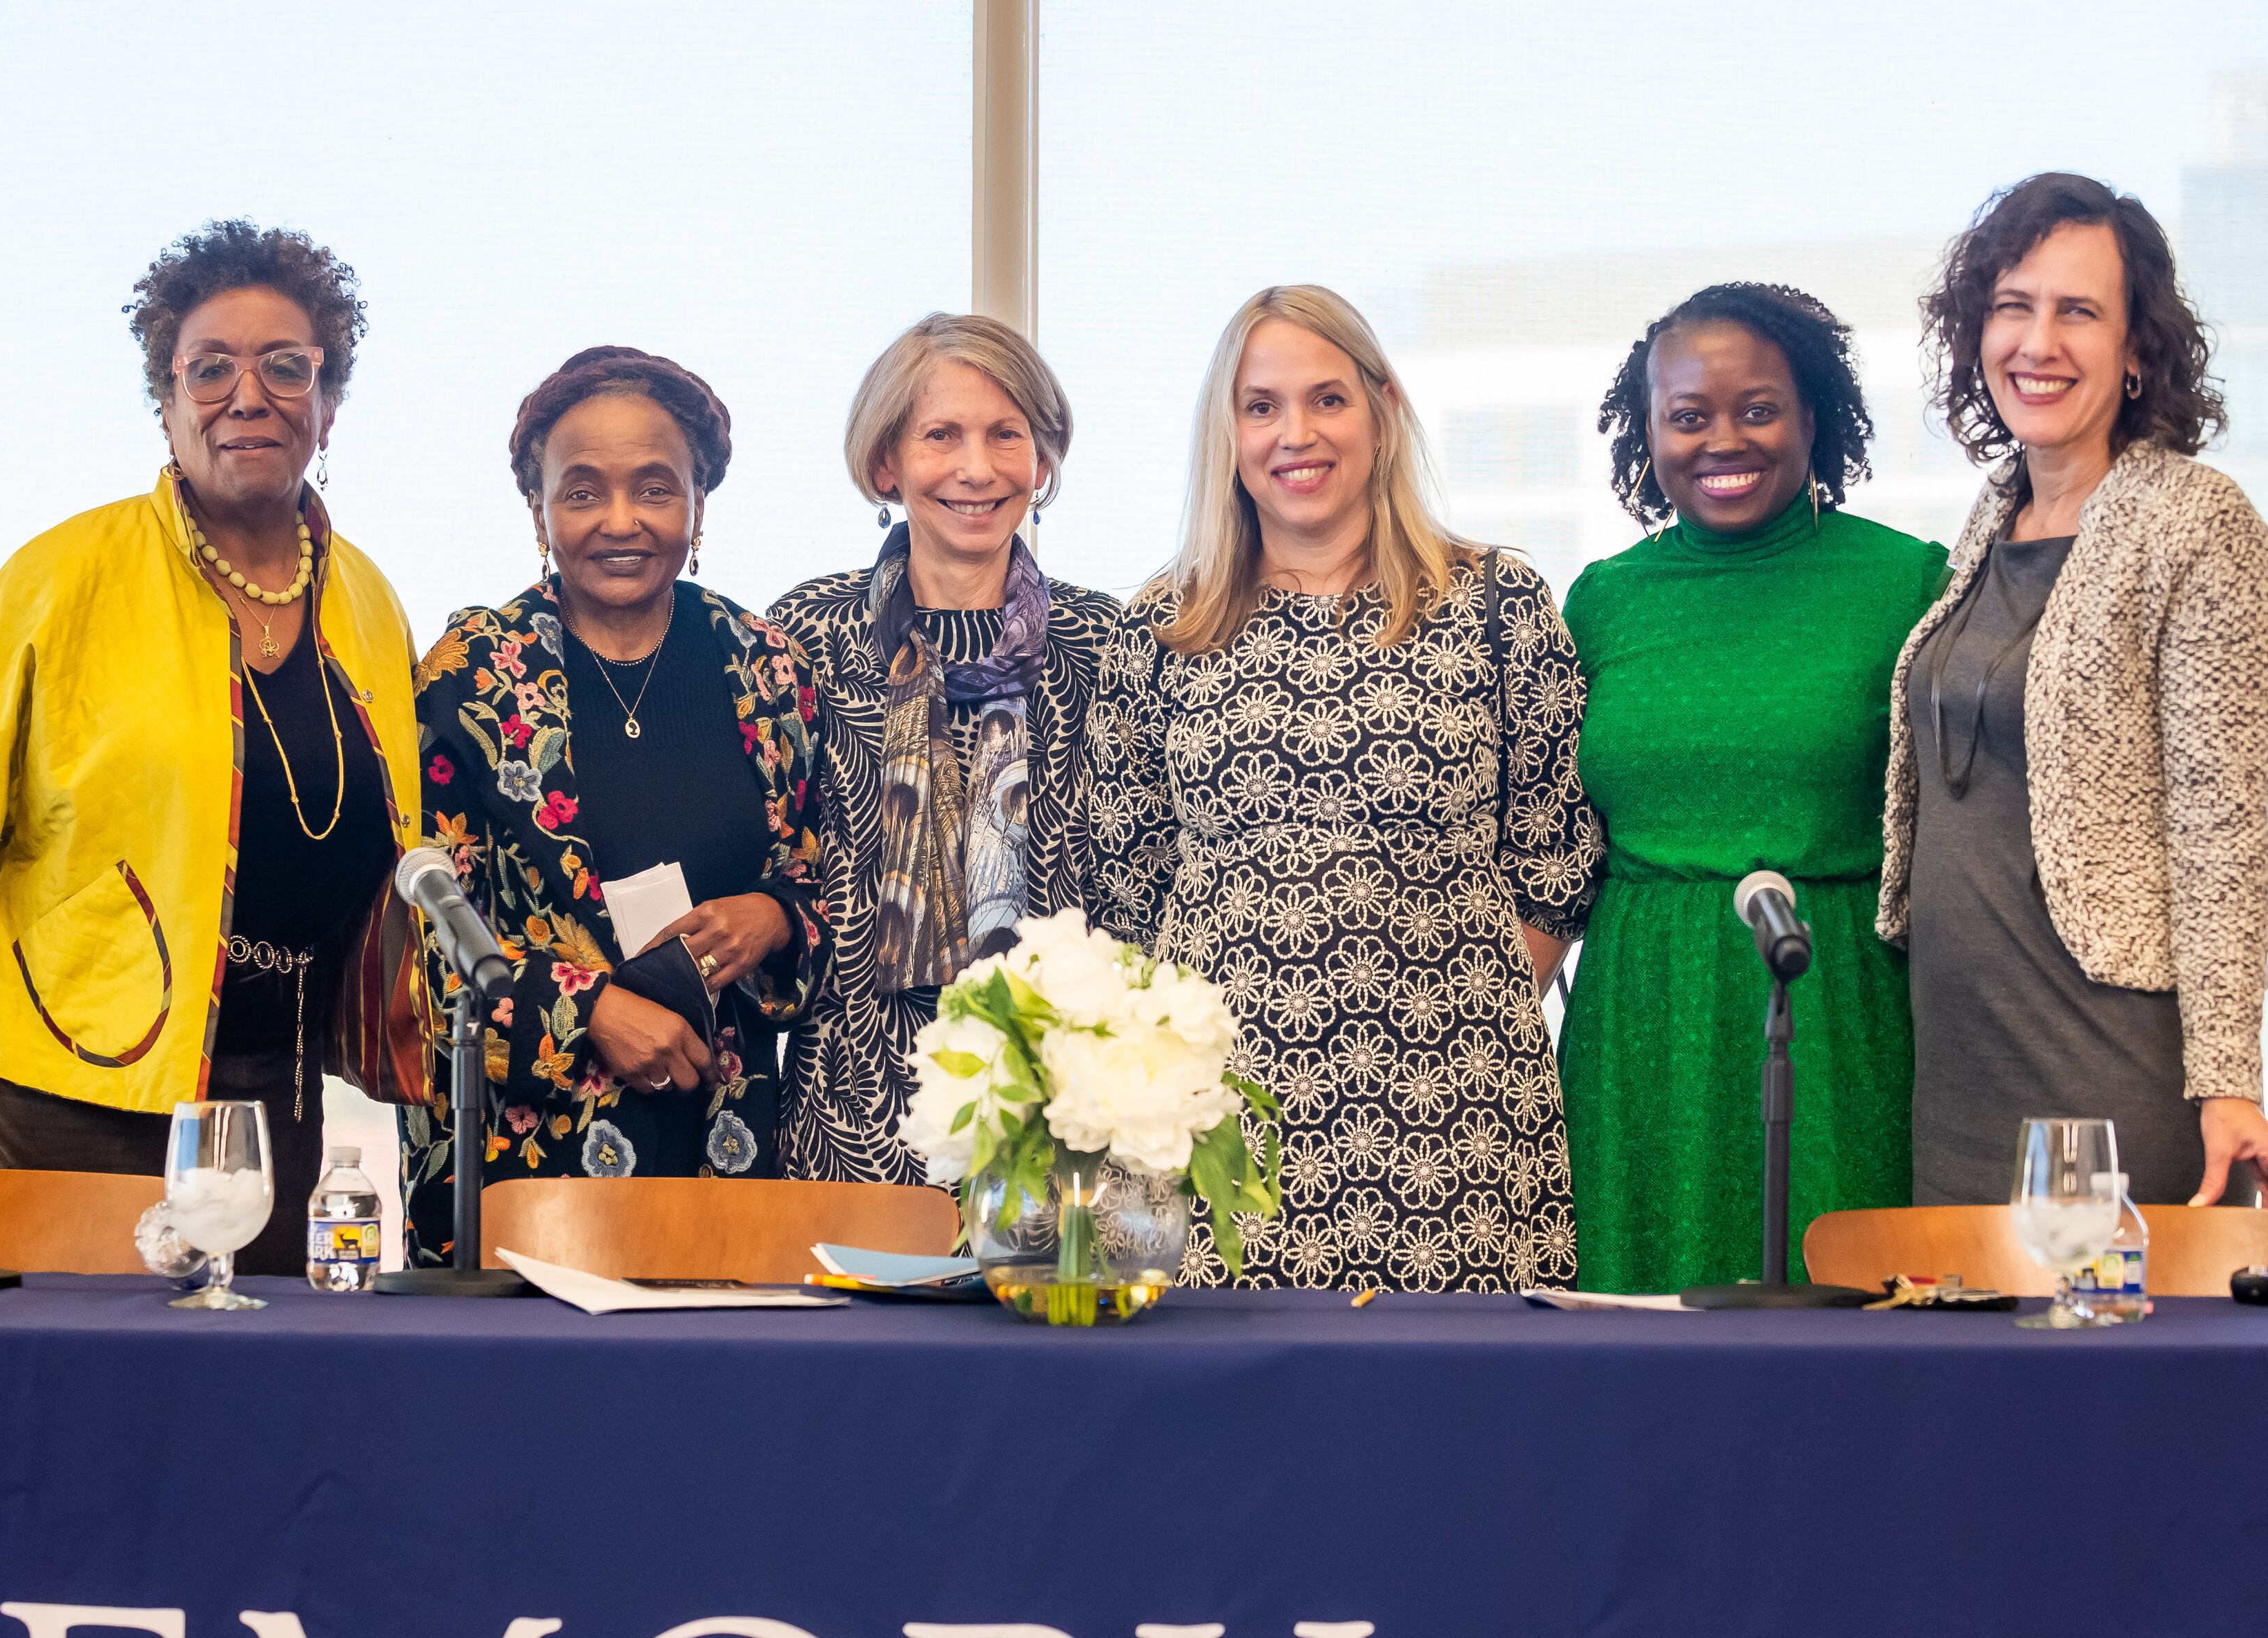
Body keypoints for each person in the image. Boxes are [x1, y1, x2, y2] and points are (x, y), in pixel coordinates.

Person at [0, 220, 418, 1276]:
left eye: (288, 367)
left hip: (270, 1106)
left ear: (329, 406)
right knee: (72, 1411)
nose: (250, 394)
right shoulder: (60, 579)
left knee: (252, 1411)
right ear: (167, 400)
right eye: (210, 368)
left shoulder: (370, 603)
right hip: (63, 1096)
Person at [1086, 285, 1602, 1292]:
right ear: (1227, 434)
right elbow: (1127, 882)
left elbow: (1557, 855)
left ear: (1384, 408)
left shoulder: (1498, 603)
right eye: (1262, 405)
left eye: (1327, 399)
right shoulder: (1160, 625)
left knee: (1459, 1421)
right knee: (1227, 1431)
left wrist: (1453, 1006)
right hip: (1219, 1118)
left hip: (1459, 1105)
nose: (1297, 434)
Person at [1888, 172, 2268, 1222]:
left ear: (2136, 352)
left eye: (2079, 312)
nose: (2038, 343)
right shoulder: (1990, 524)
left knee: (2097, 1376)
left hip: (2098, 1063)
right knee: (1962, 1373)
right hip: (1956, 1078)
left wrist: (2229, 1080)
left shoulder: (2196, 526)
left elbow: (2224, 827)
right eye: (2012, 308)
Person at [1559, 284, 1950, 1293]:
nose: (1720, 439)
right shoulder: (1603, 600)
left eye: (1757, 409)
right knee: (1636, 1319)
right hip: (1642, 1016)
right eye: (1687, 416)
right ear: (1648, 433)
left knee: (1839, 1324)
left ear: (1813, 418)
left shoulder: (1908, 583)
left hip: (1834, 1006)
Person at [402, 348, 828, 1260]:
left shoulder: (769, 671)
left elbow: (818, 880)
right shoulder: (468, 678)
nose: (621, 520)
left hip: (726, 1144)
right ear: (540, 507)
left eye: (655, 489)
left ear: (699, 502)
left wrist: (774, 917)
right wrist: (590, 1011)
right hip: (526, 1171)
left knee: (718, 1400)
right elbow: (426, 944)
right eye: (584, 491)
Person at [773, 315, 1121, 1184]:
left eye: (1008, 434)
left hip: (1063, 1105)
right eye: (942, 435)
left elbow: (1139, 875)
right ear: (885, 463)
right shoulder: (806, 631)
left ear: (1041, 463)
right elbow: (769, 861)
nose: (977, 468)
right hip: (848, 1101)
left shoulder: (1107, 638)